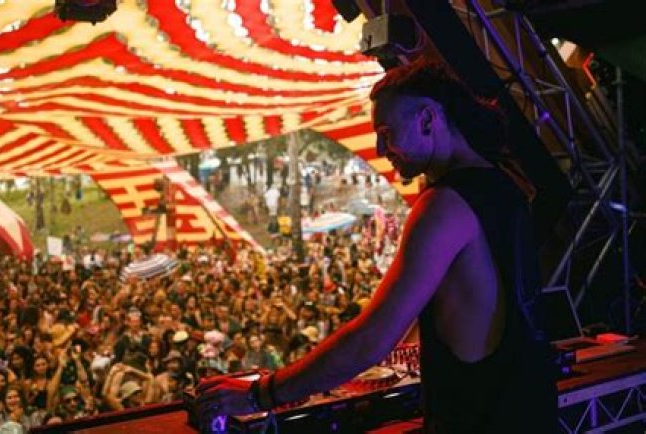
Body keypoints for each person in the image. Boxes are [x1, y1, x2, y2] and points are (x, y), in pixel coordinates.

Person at [196, 59, 557, 433]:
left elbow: (370, 339)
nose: (381, 148)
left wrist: (260, 394)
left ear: (427, 119)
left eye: (387, 132)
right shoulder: (507, 187)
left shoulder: (443, 205)